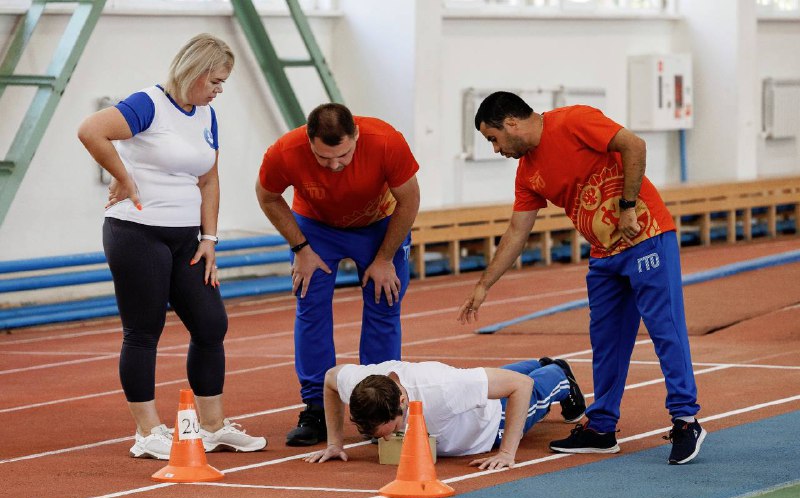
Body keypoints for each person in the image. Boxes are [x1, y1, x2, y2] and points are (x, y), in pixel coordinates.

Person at [458, 91, 705, 465]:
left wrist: (626, 206)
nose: (495, 149)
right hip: (605, 255)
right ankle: (602, 428)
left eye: (493, 138)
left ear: (510, 124)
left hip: (647, 236)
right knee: (605, 341)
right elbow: (516, 233)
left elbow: (633, 145)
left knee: (665, 329)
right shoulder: (527, 174)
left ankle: (686, 420)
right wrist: (484, 284)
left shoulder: (572, 121)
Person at [77, 33, 266, 460]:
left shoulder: (206, 115)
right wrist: (124, 176)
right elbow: (91, 131)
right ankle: (147, 431)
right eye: (216, 80)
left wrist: (210, 238)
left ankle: (213, 426)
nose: (220, 89)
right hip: (137, 232)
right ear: (195, 72)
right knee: (144, 331)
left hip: (187, 238)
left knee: (210, 324)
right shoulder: (149, 104)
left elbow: (209, 179)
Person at [256, 103, 421, 446]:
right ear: (309, 140)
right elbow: (268, 197)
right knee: (310, 307)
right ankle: (316, 406)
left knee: (384, 302)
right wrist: (301, 248)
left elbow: (410, 201)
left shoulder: (386, 141)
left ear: (356, 136)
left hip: (379, 227)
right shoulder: (285, 151)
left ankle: (379, 404)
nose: (334, 166)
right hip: (316, 230)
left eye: (343, 155)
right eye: (323, 157)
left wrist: (385, 258)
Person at [303, 357, 585, 469]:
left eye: (390, 431)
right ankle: (536, 362)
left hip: (488, 422)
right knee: (490, 379)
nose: (386, 439)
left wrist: (507, 453)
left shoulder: (443, 389)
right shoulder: (358, 384)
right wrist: (334, 443)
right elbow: (329, 378)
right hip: (464, 391)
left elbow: (521, 387)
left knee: (530, 387)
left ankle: (558, 373)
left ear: (402, 401)